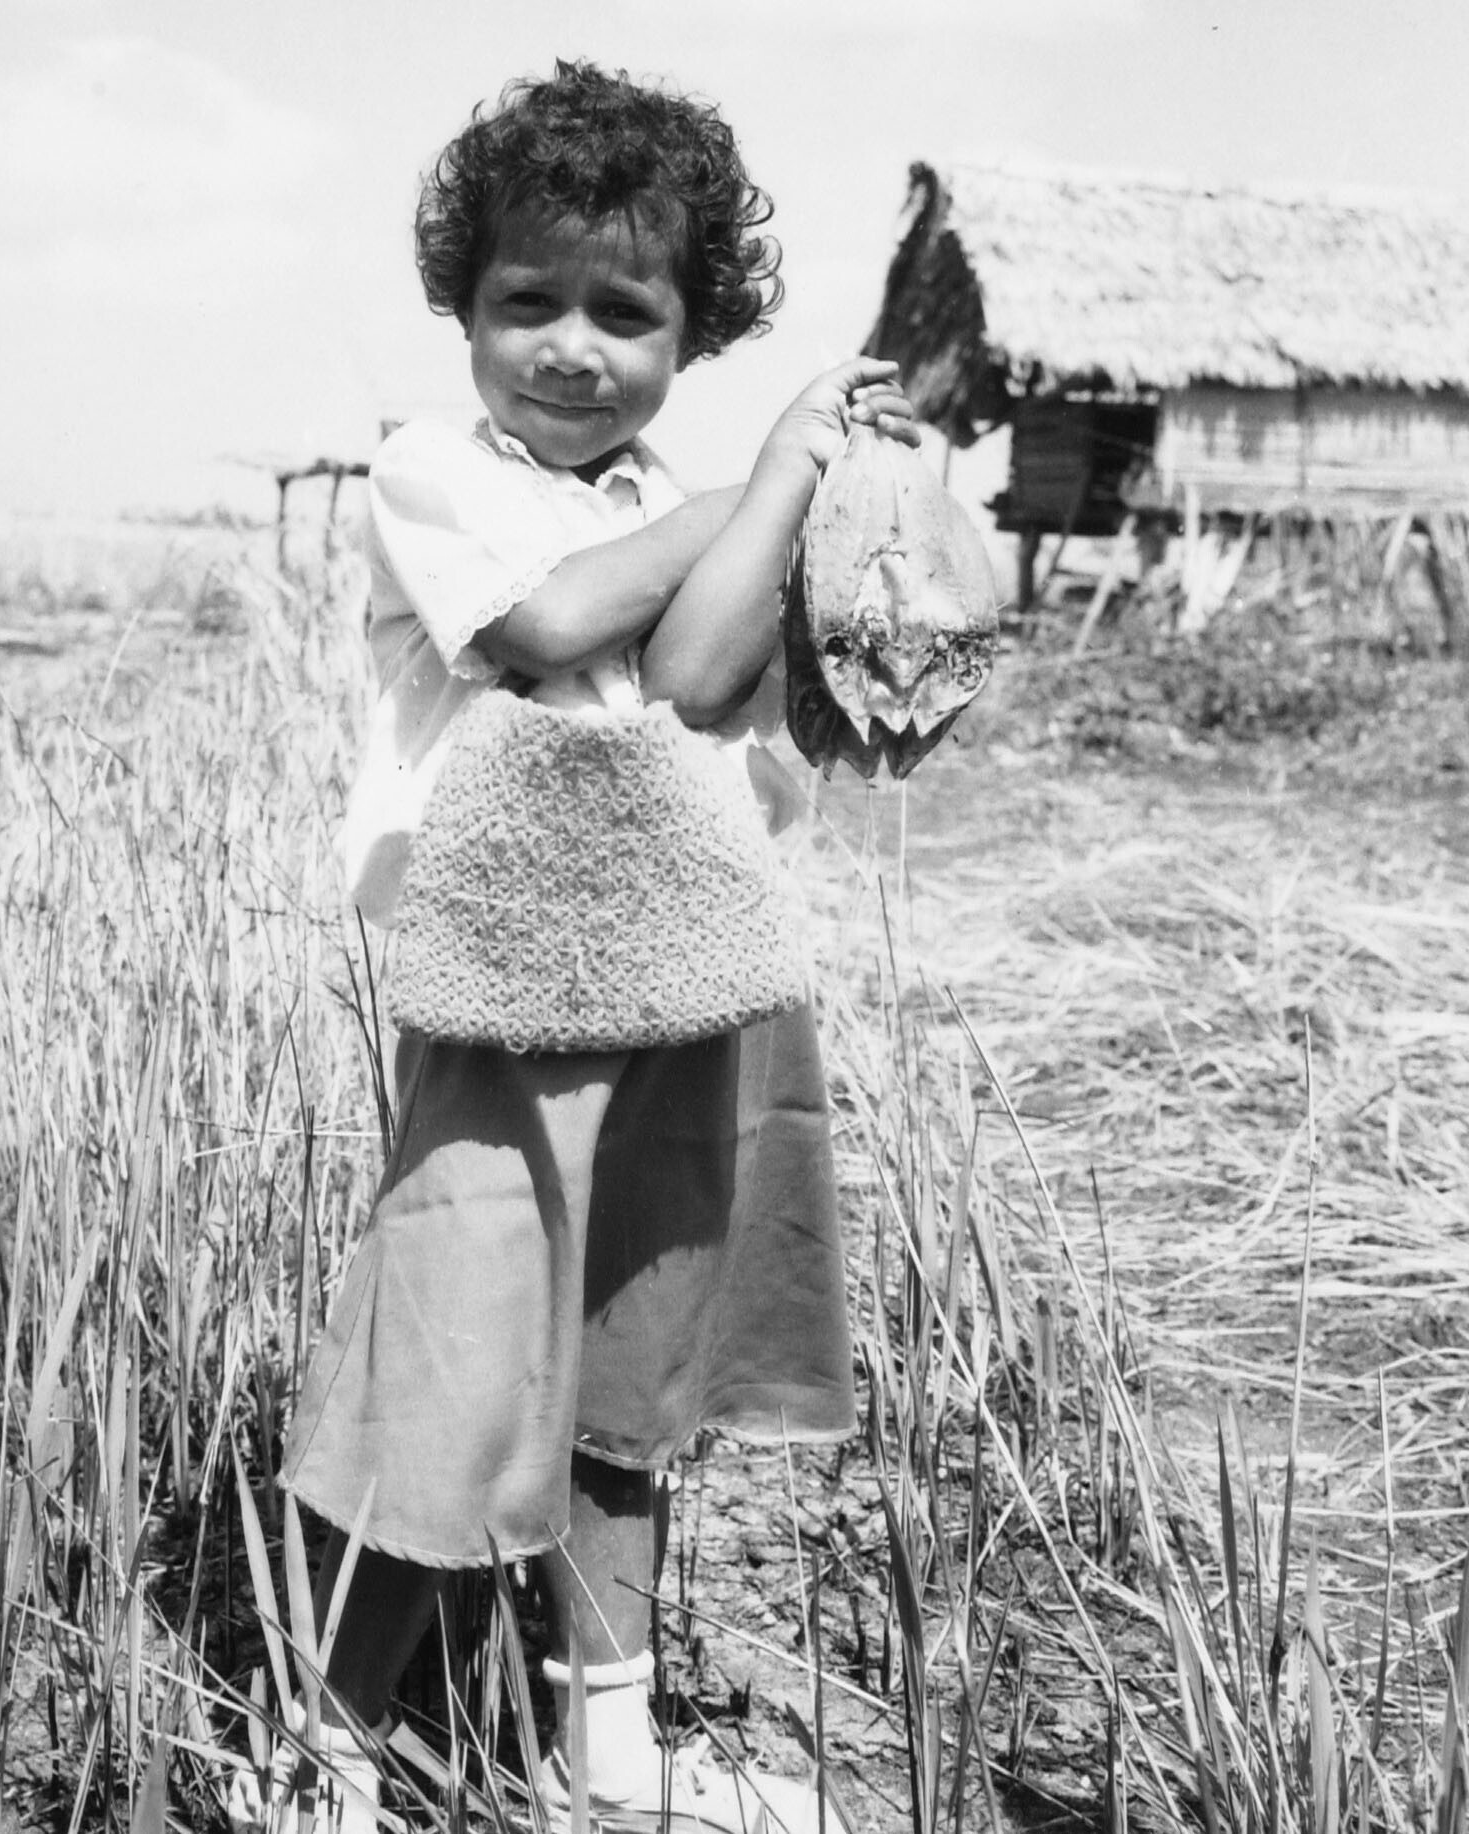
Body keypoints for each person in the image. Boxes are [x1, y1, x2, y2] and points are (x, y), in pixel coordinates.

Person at [273, 58, 918, 1834]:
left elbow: (702, 677)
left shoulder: (675, 500)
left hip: (683, 971)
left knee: (634, 1374)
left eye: (625, 314)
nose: (570, 347)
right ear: (462, 307)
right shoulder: (432, 474)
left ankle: (607, 1756)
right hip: (499, 979)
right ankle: (320, 1757)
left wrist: (798, 491)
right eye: (526, 302)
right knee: (452, 1359)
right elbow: (553, 621)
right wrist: (764, 480)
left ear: (692, 335)